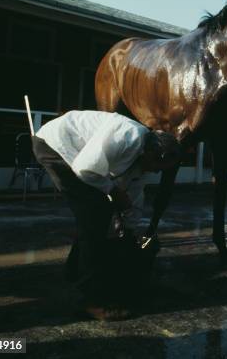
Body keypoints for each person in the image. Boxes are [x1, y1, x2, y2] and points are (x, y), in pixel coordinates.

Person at [32, 110, 181, 321]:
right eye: (158, 167)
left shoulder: (143, 162)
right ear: (153, 153)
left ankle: (74, 272)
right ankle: (91, 300)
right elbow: (85, 169)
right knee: (95, 216)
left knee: (96, 217)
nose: (156, 172)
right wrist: (112, 190)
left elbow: (134, 199)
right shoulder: (127, 136)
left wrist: (130, 232)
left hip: (80, 158)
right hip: (55, 145)